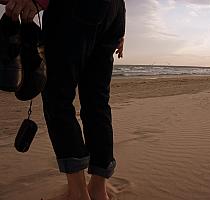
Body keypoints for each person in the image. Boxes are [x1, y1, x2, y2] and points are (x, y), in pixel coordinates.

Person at [3, 0, 126, 199]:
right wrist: (118, 25)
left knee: (58, 100)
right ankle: (98, 189)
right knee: (97, 103)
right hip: (114, 10)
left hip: (74, 9)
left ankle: (78, 193)